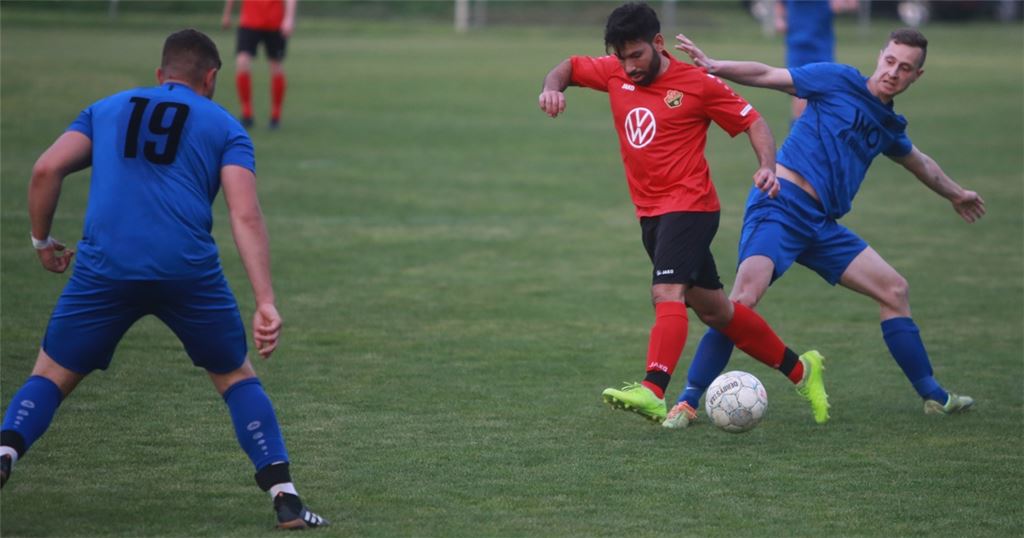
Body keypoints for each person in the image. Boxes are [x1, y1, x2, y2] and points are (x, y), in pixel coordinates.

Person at [0, 29, 327, 529]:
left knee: (50, 375)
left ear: (161, 74)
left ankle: (5, 451)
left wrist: (42, 241)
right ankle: (285, 496)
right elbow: (244, 214)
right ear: (211, 78)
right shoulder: (225, 126)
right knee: (236, 378)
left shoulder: (105, 109)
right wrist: (265, 300)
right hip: (186, 270)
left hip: (105, 265)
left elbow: (47, 169)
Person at [537, 2, 830, 427]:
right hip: (651, 214)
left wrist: (767, 167)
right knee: (717, 312)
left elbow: (754, 121)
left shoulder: (697, 84)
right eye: (621, 57)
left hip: (691, 206)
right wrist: (553, 88)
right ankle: (802, 370)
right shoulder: (616, 71)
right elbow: (568, 67)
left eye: (636, 55)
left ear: (658, 43)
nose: (629, 66)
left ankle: (654, 389)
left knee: (666, 292)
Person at [670, 28, 984, 424]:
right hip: (780, 205)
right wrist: (716, 65)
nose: (893, 72)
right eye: (890, 61)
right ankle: (687, 401)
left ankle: (934, 396)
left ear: (916, 76)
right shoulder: (837, 79)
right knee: (743, 300)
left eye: (905, 68)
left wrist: (957, 194)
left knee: (894, 290)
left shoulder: (888, 125)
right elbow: (768, 74)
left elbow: (921, 163)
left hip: (820, 226)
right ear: (880, 56)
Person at [774, 0, 858, 122]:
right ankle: (799, 132)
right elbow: (780, 3)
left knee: (825, 98)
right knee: (800, 99)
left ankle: (819, 131)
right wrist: (779, 19)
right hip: (797, 46)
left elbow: (853, 4)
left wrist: (842, 5)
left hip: (821, 47)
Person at [221, 0, 297, 129]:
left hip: (275, 22)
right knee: (242, 62)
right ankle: (247, 114)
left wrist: (289, 18)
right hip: (249, 22)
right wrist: (227, 14)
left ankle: (276, 116)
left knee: (276, 67)